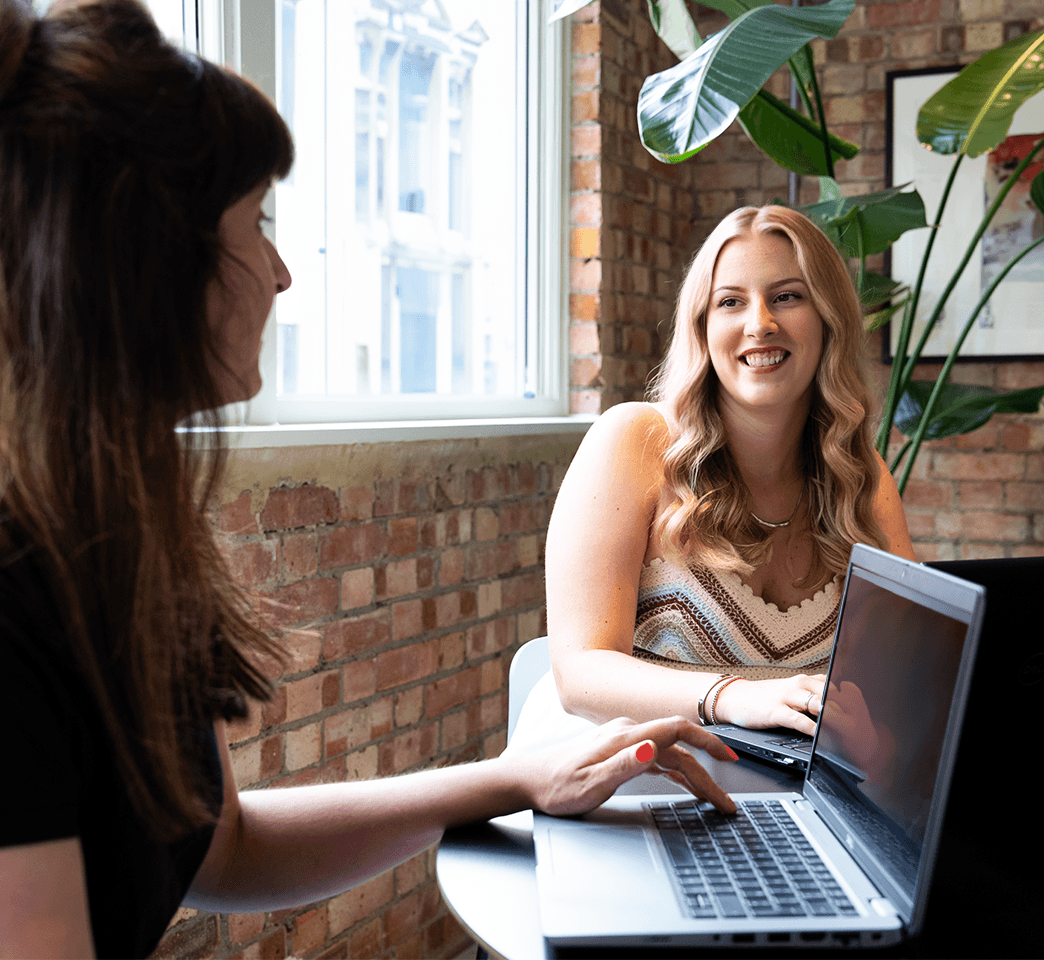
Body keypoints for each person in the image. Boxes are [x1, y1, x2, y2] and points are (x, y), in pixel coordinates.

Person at [0, 2, 738, 957]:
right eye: (254, 223)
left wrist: (520, 777)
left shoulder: (120, 535)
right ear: (149, 260)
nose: (280, 273)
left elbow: (224, 849)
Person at [513, 204, 915, 752]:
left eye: (787, 296)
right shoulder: (633, 441)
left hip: (787, 797)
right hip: (623, 781)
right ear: (702, 328)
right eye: (731, 302)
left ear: (828, 320)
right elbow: (579, 673)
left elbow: (905, 686)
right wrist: (733, 696)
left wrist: (879, 744)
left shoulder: (863, 479)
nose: (760, 324)